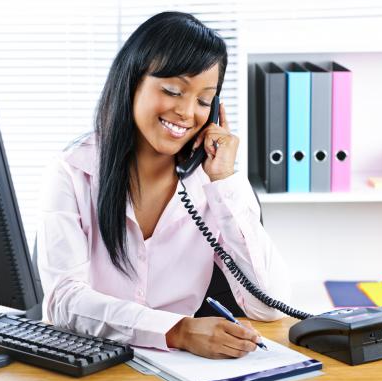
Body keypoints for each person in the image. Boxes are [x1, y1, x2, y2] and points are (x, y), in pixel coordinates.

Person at [37, 11, 290, 360]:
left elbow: (269, 307)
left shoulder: (213, 183)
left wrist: (224, 181)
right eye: (173, 90)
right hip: (88, 370)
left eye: (203, 100)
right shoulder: (73, 172)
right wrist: (176, 330)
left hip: (181, 375)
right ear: (132, 83)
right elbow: (64, 301)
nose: (187, 112)